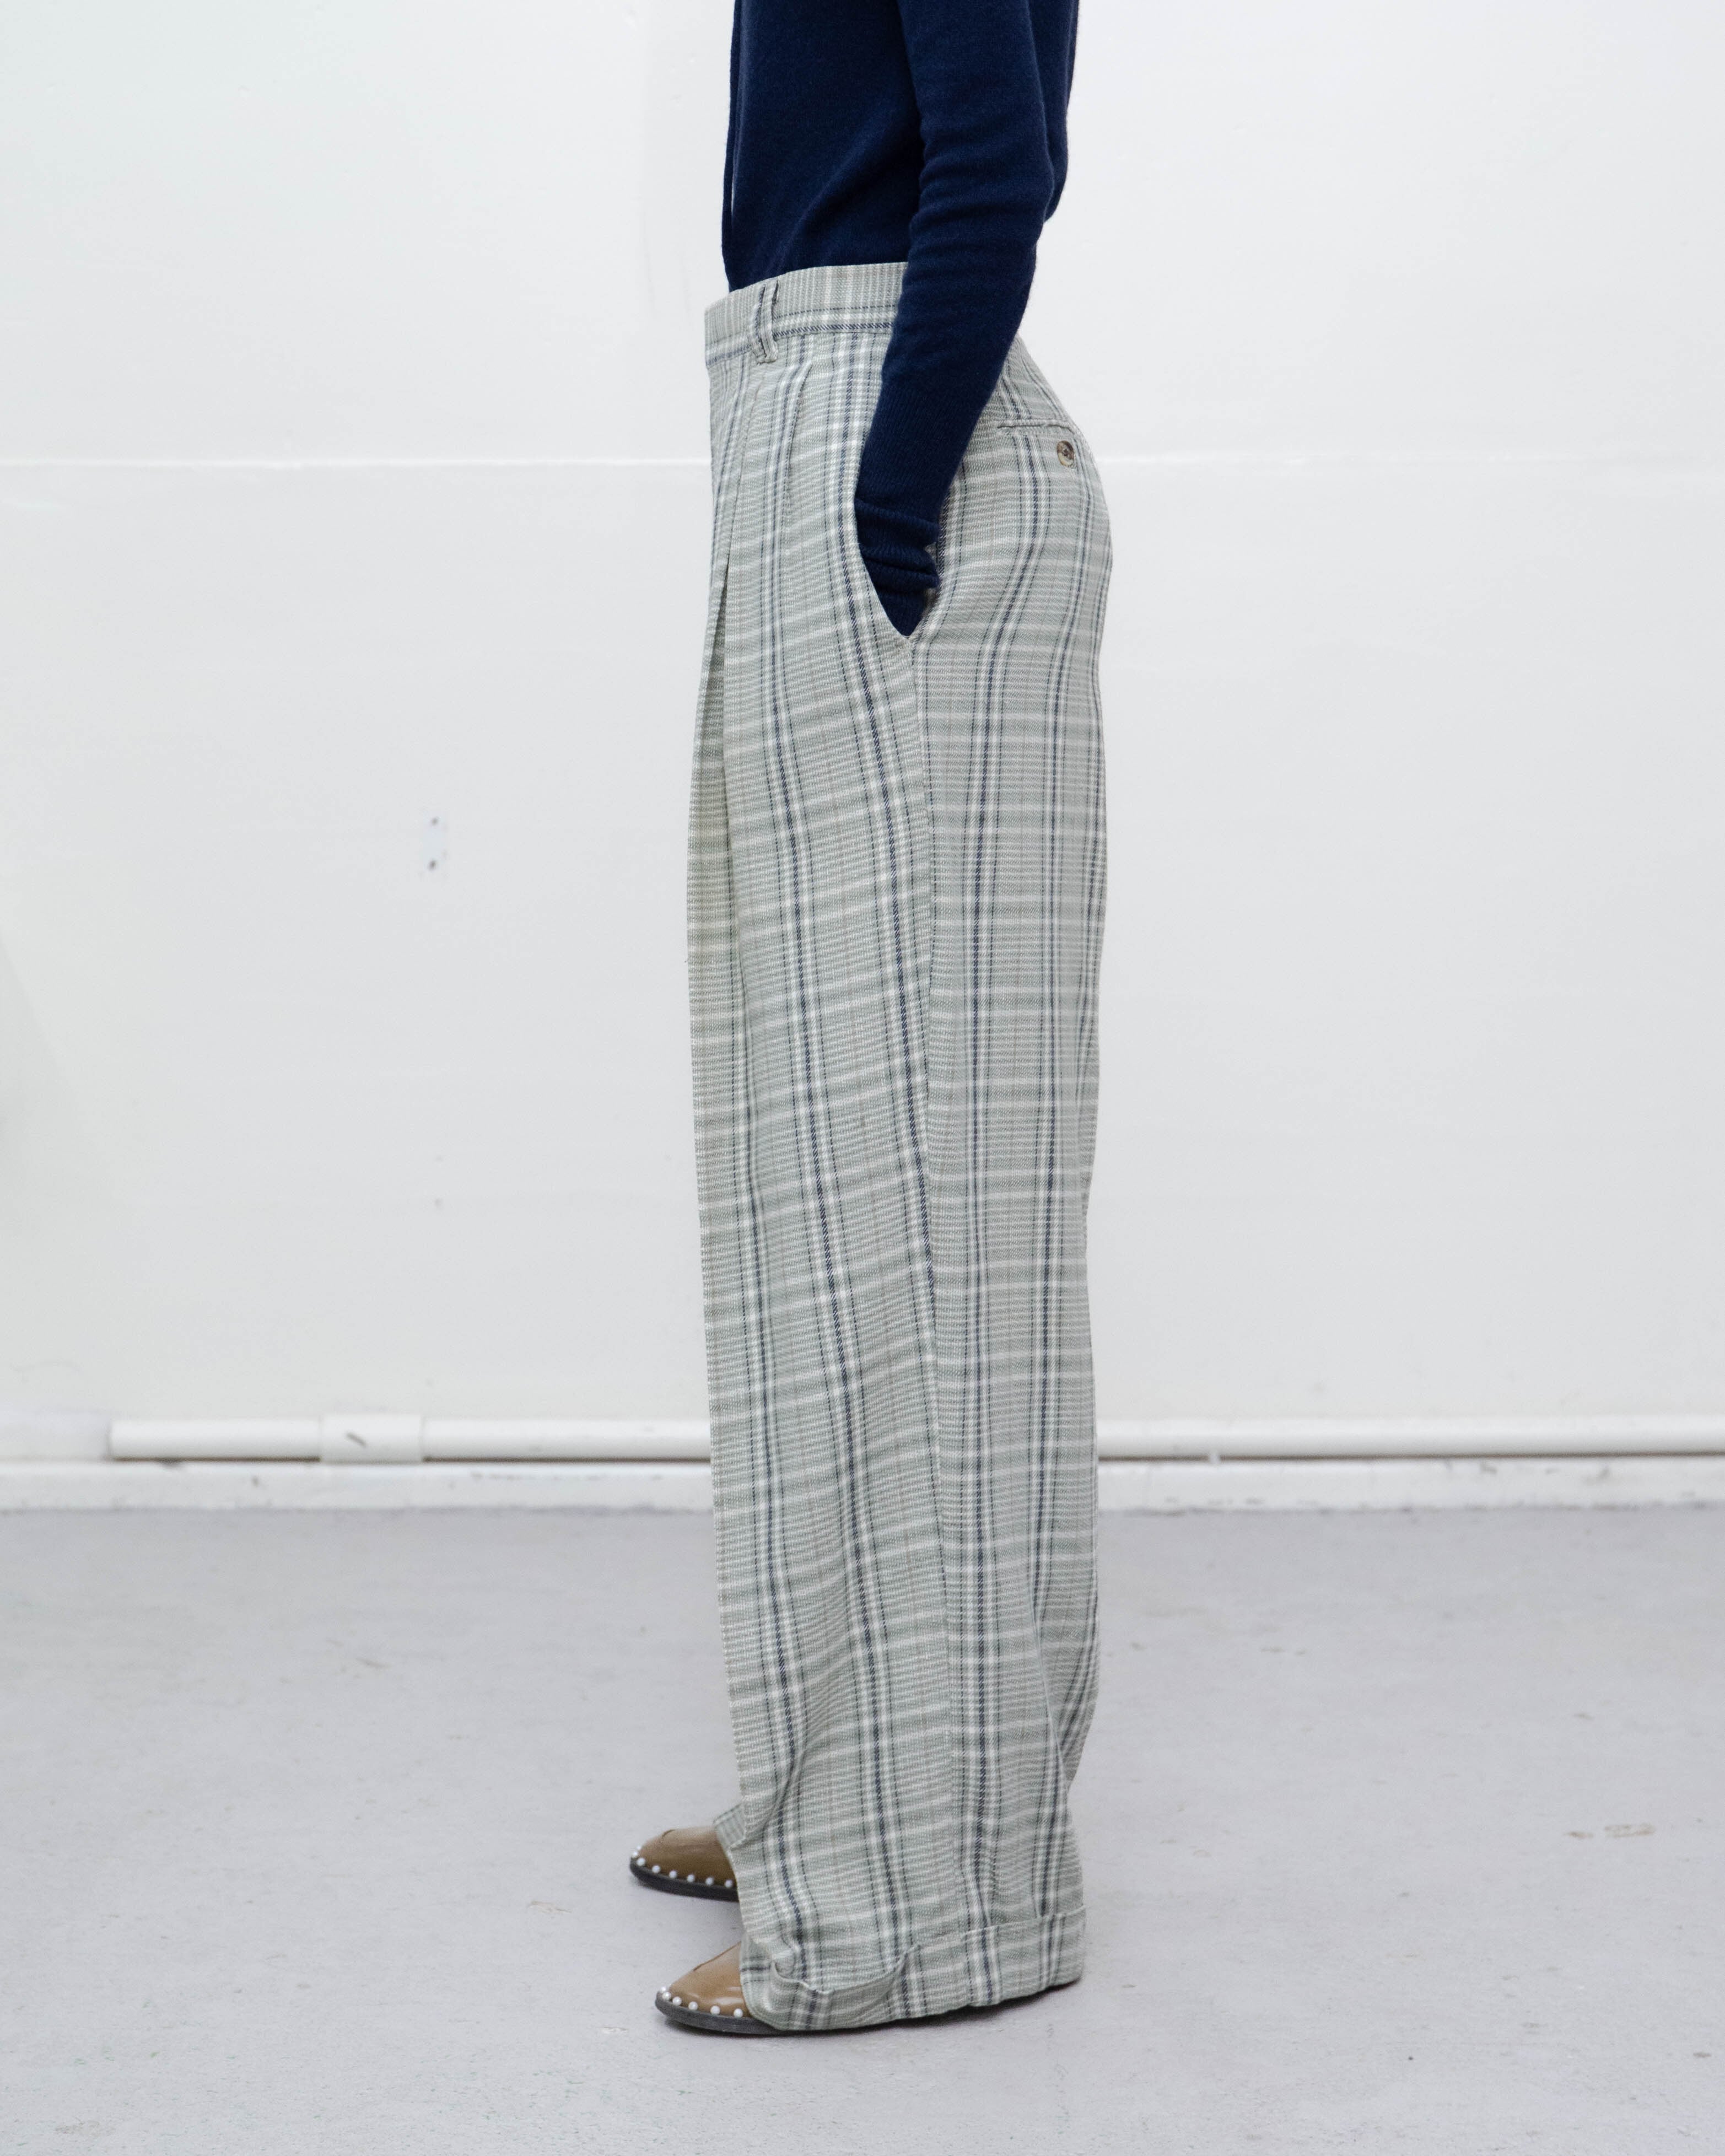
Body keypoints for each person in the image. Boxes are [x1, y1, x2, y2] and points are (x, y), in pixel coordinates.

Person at [635, 0, 1111, 2035]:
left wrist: (889, 502)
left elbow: (994, 168)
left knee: (903, 1221)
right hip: (824, 429)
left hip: (886, 450)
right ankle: (846, 1796)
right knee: (834, 1198)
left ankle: (918, 1900)